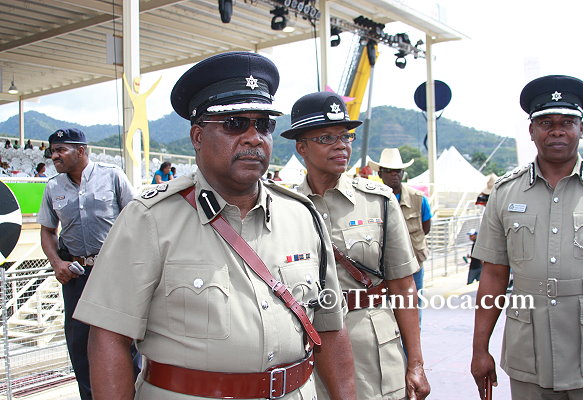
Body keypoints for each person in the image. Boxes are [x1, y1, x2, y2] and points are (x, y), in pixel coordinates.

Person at [73, 52, 356, 400]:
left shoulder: (303, 216)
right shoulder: (149, 219)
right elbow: (109, 338)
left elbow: (330, 327)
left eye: (264, 125)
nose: (254, 138)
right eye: (235, 124)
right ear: (197, 136)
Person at [282, 91, 430, 400]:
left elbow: (403, 286)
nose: (341, 145)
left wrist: (416, 363)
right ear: (301, 147)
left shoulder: (379, 201)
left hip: (373, 350)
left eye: (345, 136)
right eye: (326, 137)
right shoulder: (285, 208)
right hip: (310, 348)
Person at [471, 75, 583, 399]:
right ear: (531, 130)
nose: (557, 131)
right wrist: (480, 349)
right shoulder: (505, 192)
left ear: (581, 129)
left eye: (567, 122)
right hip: (529, 352)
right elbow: (494, 274)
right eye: (546, 123)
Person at [37, 128, 136, 400]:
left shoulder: (112, 175)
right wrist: (57, 263)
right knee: (79, 343)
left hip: (113, 272)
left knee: (122, 338)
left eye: (61, 150)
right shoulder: (53, 187)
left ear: (81, 151)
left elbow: (136, 220)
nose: (54, 156)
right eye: (52, 151)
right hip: (76, 276)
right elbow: (48, 231)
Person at [370, 148, 432, 320]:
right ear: (380, 173)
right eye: (389, 170)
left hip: (414, 263)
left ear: (403, 173)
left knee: (413, 309)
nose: (394, 174)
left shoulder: (418, 198)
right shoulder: (371, 200)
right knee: (384, 310)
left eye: (398, 170)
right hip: (381, 267)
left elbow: (426, 228)